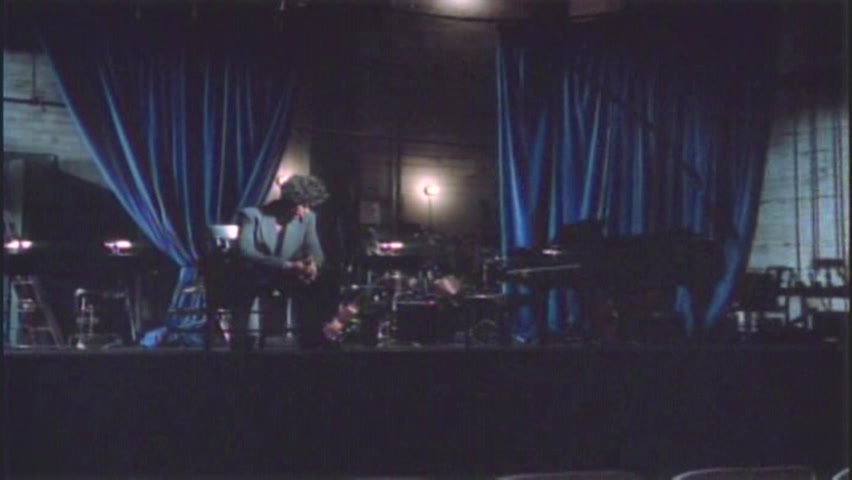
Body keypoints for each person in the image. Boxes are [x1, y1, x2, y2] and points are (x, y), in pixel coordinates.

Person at [229, 174, 330, 350]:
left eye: (309, 206)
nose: (306, 211)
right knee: (244, 284)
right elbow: (246, 251)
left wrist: (312, 264)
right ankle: (247, 342)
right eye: (303, 205)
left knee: (320, 283)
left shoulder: (308, 219)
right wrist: (287, 265)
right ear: (289, 201)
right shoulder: (252, 216)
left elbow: (316, 252)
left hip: (289, 277)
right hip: (255, 274)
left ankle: (311, 341)